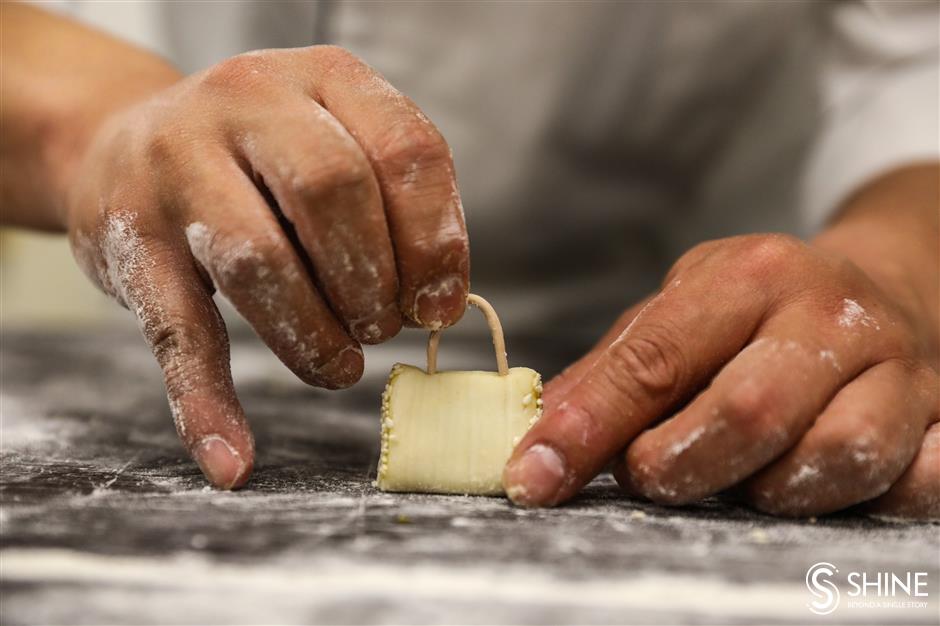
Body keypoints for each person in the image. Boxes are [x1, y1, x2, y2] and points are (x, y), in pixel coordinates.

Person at [2, 1, 937, 518]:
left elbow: (918, 67)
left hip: (700, 352)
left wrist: (891, 273)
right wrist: (99, 127)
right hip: (193, 317)